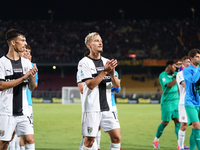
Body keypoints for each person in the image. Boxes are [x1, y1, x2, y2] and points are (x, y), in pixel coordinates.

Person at [77, 32, 121, 150]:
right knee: (90, 141)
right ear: (89, 45)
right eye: (96, 40)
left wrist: (112, 75)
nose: (100, 42)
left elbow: (117, 86)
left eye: (101, 40)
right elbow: (90, 85)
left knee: (117, 138)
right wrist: (105, 72)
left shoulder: (106, 61)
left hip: (108, 108)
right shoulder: (84, 62)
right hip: (92, 108)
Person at [0, 29, 38, 150]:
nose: (25, 43)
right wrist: (23, 78)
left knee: (29, 139)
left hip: (24, 112)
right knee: (4, 143)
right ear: (13, 42)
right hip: (6, 111)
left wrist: (31, 78)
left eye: (25, 40)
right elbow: (1, 85)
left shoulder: (27, 63)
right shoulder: (2, 63)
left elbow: (31, 87)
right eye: (22, 40)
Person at [153, 60, 181, 149]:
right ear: (169, 66)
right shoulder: (163, 75)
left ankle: (180, 144)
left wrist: (182, 65)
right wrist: (177, 78)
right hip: (167, 103)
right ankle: (156, 140)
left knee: (178, 121)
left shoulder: (176, 74)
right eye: (174, 67)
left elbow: (184, 72)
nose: (175, 69)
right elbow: (168, 85)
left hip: (176, 102)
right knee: (165, 122)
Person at [183, 49, 200, 150]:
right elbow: (194, 79)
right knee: (197, 126)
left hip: (199, 102)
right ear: (191, 58)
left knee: (195, 129)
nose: (199, 59)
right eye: (197, 57)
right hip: (190, 102)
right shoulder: (186, 70)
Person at [176, 56, 191, 150]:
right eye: (188, 62)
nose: (190, 63)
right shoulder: (180, 74)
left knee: (196, 125)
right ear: (184, 64)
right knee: (184, 125)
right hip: (184, 102)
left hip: (195, 102)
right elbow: (185, 85)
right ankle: (180, 146)